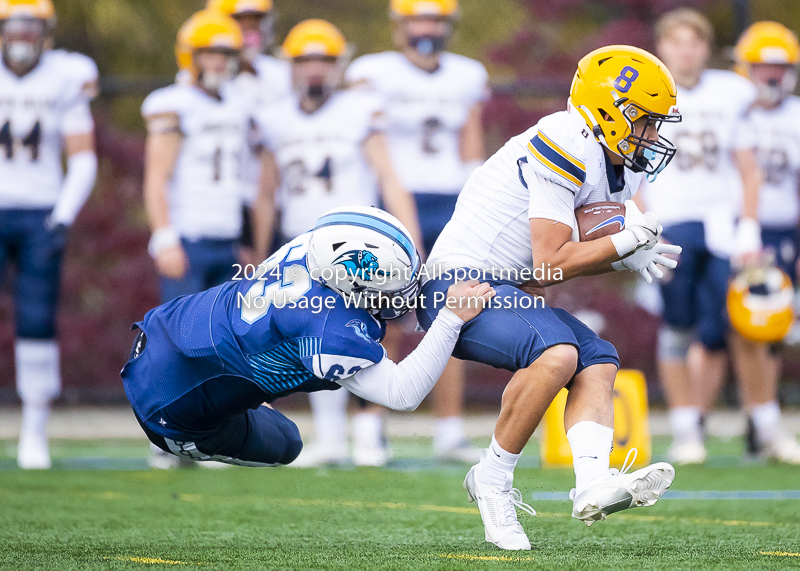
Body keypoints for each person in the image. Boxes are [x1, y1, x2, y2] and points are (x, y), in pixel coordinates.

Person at [418, 45, 682, 550]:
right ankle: (492, 481)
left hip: (510, 287)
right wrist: (624, 242)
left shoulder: (618, 163)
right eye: (643, 121)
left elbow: (546, 274)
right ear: (608, 110)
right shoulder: (563, 137)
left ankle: (590, 485)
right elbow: (549, 260)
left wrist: (621, 253)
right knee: (556, 352)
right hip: (458, 285)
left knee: (598, 360)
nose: (652, 135)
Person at [121, 206, 494, 471]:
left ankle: (232, 395)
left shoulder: (308, 245)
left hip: (162, 326)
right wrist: (450, 319)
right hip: (166, 408)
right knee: (287, 442)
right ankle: (212, 414)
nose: (397, 299)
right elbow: (403, 393)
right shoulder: (329, 327)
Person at [249, 19, 424, 467]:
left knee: (369, 332)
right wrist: (258, 250)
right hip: (301, 242)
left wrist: (412, 241)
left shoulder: (358, 110)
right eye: (305, 61)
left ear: (339, 65)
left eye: (323, 61)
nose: (314, 71)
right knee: (312, 337)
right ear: (290, 66)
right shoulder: (274, 118)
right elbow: (266, 194)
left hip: (359, 245)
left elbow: (389, 177)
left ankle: (369, 433)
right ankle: (328, 438)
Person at [326, 0, 489, 463]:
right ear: (400, 26)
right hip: (391, 204)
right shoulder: (371, 72)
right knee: (382, 315)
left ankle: (449, 430)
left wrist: (478, 204)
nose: (426, 28)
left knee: (454, 312)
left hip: (453, 204)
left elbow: (471, 143)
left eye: (435, 19)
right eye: (418, 19)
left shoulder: (467, 75)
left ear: (448, 25)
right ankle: (368, 428)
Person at [638, 9, 763, 465]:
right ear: (662, 48)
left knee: (728, 326)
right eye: (677, 42)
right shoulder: (645, 94)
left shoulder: (732, 93)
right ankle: (686, 427)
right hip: (669, 221)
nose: (686, 52)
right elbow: (629, 166)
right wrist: (642, 225)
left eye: (694, 42)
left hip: (720, 224)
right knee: (677, 324)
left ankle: (726, 423)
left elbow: (749, 167)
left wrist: (748, 225)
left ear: (706, 49)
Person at [141, 10, 256, 467]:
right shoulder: (173, 104)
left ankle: (204, 436)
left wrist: (246, 240)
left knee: (223, 342)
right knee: (173, 343)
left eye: (225, 53)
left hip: (225, 237)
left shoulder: (237, 104)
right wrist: (164, 236)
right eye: (209, 53)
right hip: (187, 237)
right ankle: (160, 434)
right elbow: (156, 177)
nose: (218, 62)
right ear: (189, 56)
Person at [0, 0, 99, 469]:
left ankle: (33, 433)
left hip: (41, 212)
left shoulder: (65, 76)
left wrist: (62, 216)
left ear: (46, 32)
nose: (21, 36)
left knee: (37, 323)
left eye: (30, 27)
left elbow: (83, 156)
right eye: (13, 26)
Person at [726, 21, 800, 463]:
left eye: (780, 69)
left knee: (770, 330)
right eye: (762, 68)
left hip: (781, 229)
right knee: (746, 328)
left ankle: (762, 421)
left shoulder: (796, 115)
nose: (771, 78)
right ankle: (761, 420)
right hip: (733, 229)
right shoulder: (731, 111)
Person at [205, 0, 292, 265]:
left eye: (255, 22)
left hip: (277, 196)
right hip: (226, 199)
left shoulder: (281, 74)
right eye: (240, 23)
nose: (249, 32)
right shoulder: (205, 81)